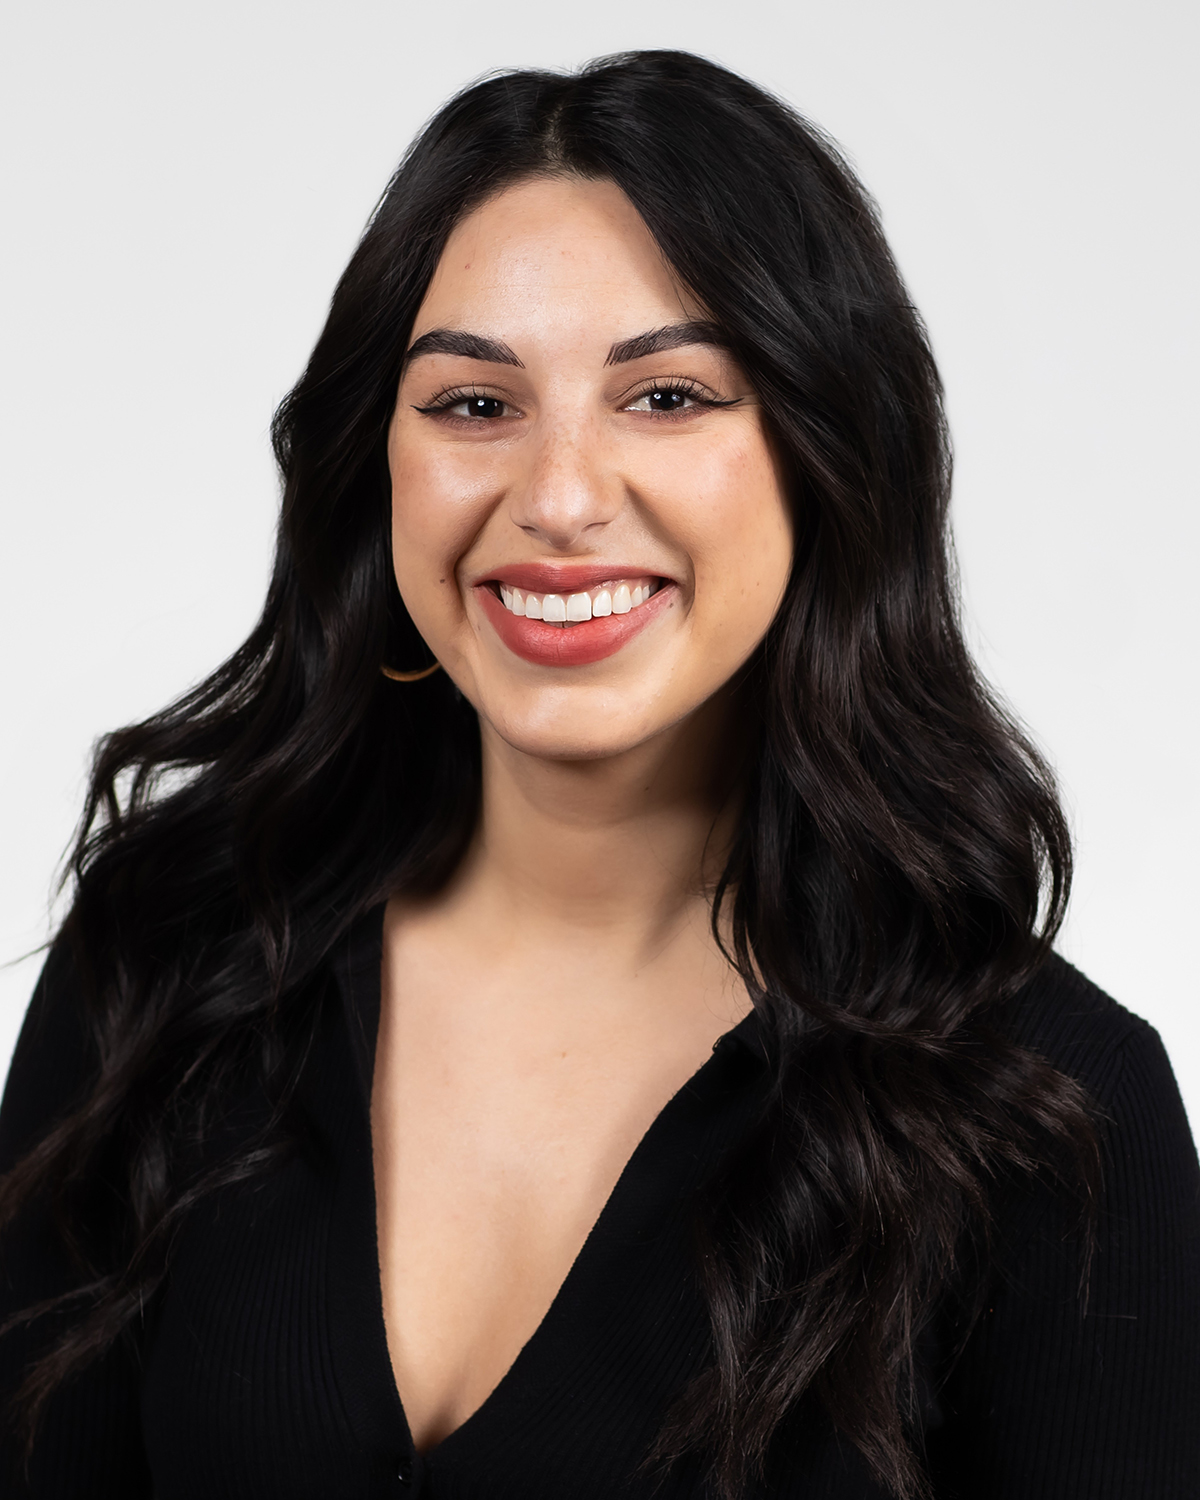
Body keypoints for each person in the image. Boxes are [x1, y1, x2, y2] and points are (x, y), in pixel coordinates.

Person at [0, 48, 1196, 1500]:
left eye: (670, 396)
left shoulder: (1054, 1113)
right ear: (377, 468)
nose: (559, 499)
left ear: (826, 452)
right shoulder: (171, 960)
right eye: (473, 405)